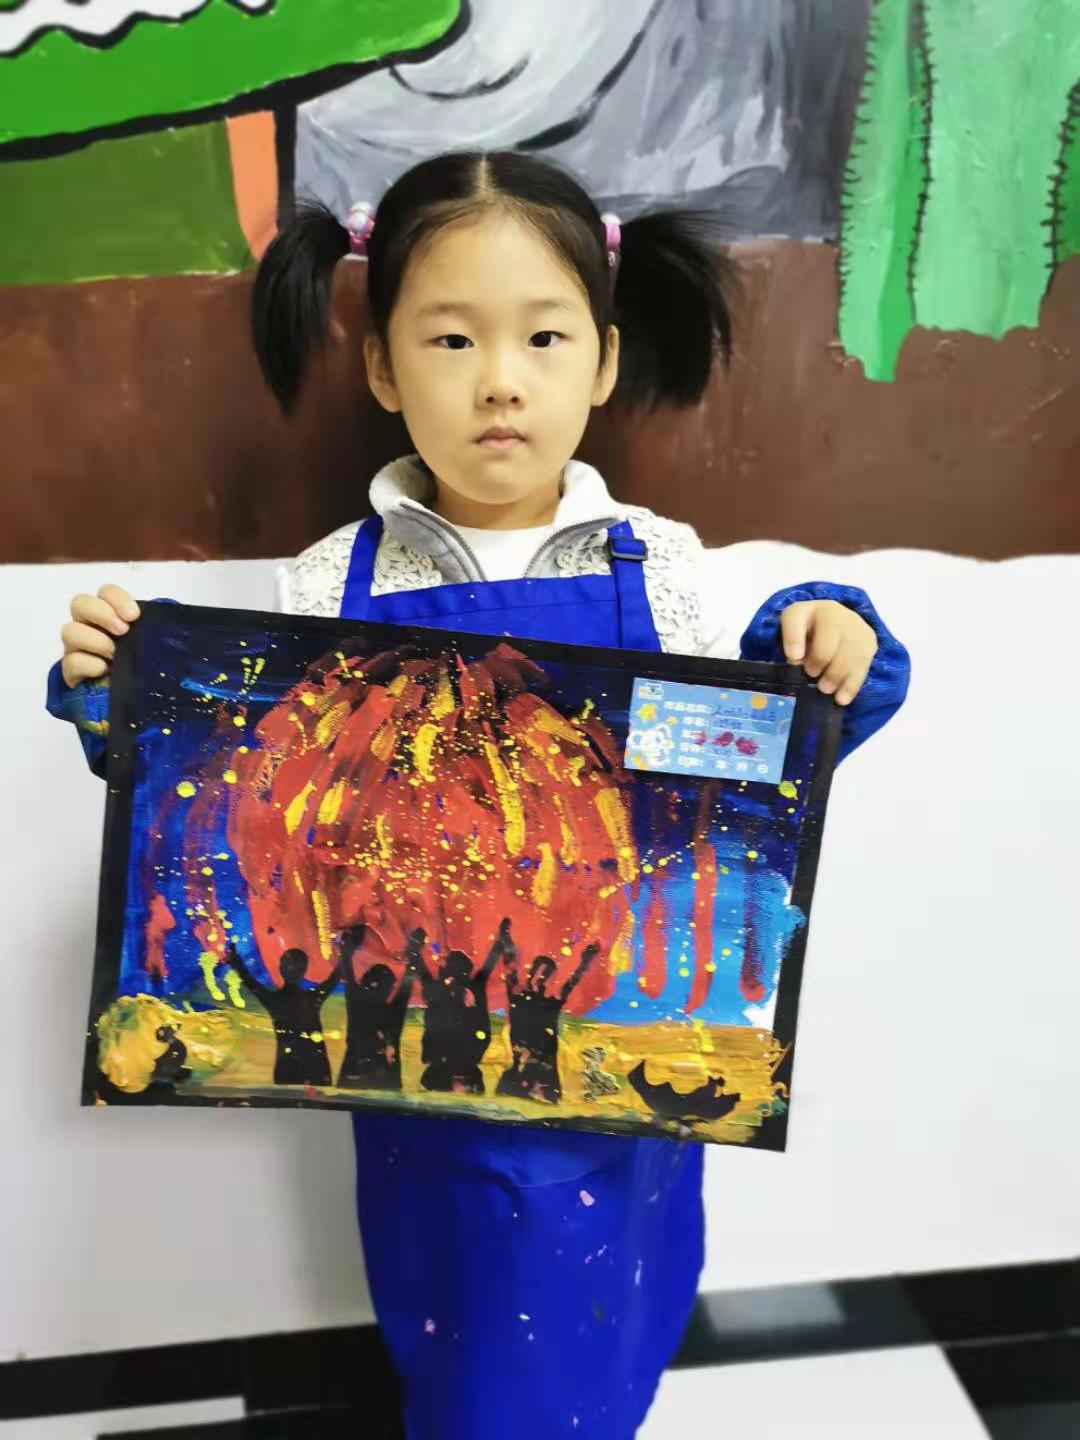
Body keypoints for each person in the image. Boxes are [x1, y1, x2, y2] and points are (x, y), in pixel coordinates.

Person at [49, 149, 910, 1439]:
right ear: (384, 368)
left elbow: (741, 776)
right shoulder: (326, 586)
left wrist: (823, 645)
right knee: (457, 1341)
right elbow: (236, 799)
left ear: (603, 363)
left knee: (600, 1343)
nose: (501, 379)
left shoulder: (665, 570)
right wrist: (122, 690)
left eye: (543, 337)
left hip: (612, 1071)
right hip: (416, 1076)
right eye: (452, 339)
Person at [496, 923, 599, 1105]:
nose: (542, 979)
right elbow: (510, 966)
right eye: (539, 973)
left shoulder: (551, 1003)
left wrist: (586, 961)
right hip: (521, 1074)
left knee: (547, 1101)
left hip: (545, 1075)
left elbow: (572, 982)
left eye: (547, 975)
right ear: (532, 973)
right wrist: (505, 937)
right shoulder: (518, 997)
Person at [410, 920, 510, 1095]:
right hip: (457, 1064)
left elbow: (420, 968)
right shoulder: (466, 987)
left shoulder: (446, 988)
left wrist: (415, 947)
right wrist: (501, 939)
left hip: (449, 1064)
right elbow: (489, 964)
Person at [225, 940, 340, 1088]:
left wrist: (236, 962)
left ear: (280, 969)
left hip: (288, 1069)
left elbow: (251, 983)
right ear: (305, 971)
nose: (292, 969)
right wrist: (346, 954)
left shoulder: (276, 1001)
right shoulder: (312, 999)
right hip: (316, 1068)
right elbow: (334, 978)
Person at [337, 923, 418, 1092]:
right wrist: (415, 952)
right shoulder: (391, 1011)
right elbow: (408, 982)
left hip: (355, 1079)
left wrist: (347, 948)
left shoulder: (357, 1004)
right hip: (384, 1083)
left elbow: (347, 970)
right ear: (389, 989)